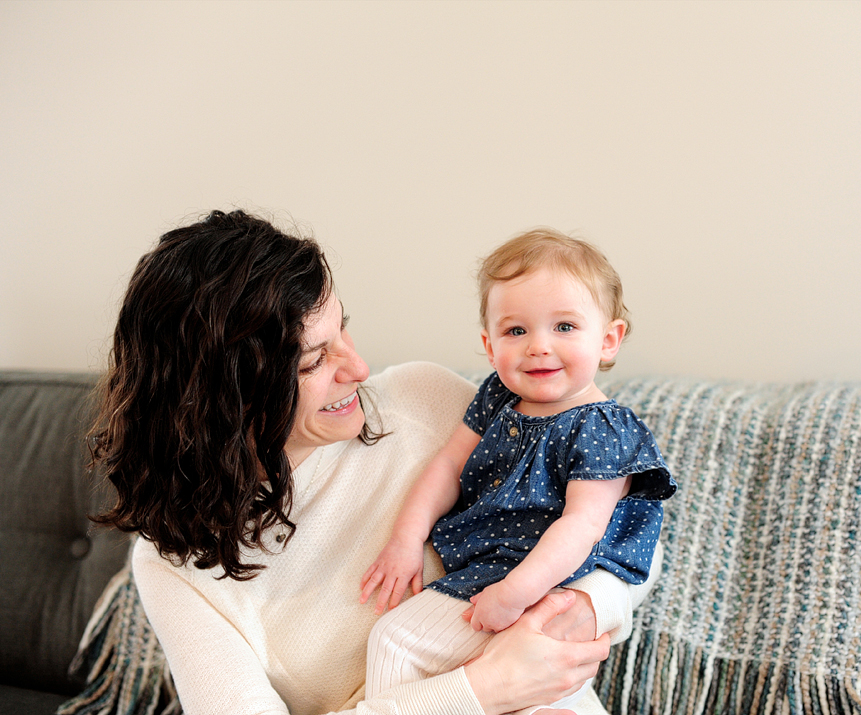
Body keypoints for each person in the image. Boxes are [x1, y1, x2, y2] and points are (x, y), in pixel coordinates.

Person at [90, 209, 659, 715]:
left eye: (342, 329)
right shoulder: (176, 567)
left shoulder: (422, 399)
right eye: (315, 359)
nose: (357, 368)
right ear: (230, 395)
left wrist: (585, 607)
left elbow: (626, 526)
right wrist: (481, 690)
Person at [360, 229, 677, 712]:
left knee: (396, 640)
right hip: (491, 572)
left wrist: (514, 593)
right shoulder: (498, 396)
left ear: (609, 340)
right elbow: (448, 464)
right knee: (513, 693)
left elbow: (584, 525)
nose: (538, 346)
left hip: (543, 580)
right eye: (516, 331)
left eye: (565, 327)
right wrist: (406, 539)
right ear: (490, 346)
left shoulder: (602, 428)